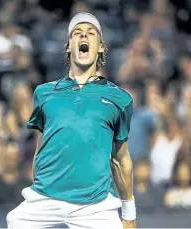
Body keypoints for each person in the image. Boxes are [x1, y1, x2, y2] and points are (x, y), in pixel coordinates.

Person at [7, 13, 136, 229]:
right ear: (69, 47)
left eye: (90, 33)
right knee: (15, 221)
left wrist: (129, 215)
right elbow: (40, 149)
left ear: (101, 47)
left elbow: (120, 159)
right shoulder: (43, 93)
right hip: (43, 200)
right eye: (77, 33)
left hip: (96, 207)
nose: (83, 35)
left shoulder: (120, 99)